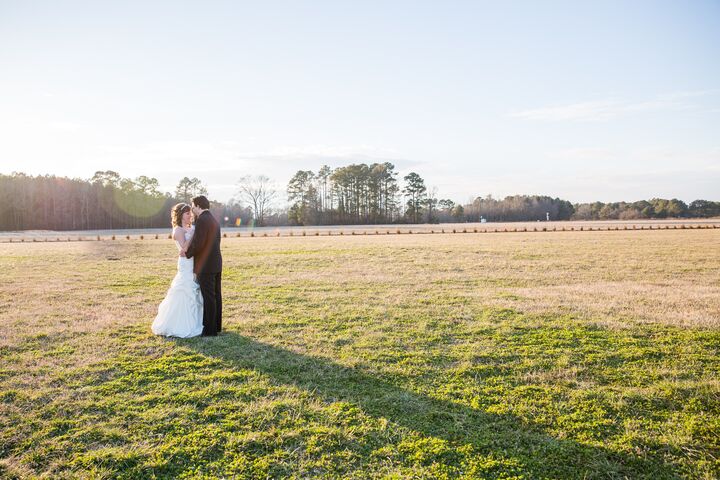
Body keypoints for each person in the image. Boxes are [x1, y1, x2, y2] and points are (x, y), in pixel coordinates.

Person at [151, 203, 204, 338]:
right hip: (185, 264)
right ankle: (179, 323)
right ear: (181, 215)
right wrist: (193, 234)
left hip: (193, 263)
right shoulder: (178, 230)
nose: (190, 216)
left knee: (194, 291)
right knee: (184, 290)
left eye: (190, 213)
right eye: (187, 214)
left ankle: (195, 321)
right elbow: (184, 249)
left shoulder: (190, 227)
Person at [182, 195, 223, 336]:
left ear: (198, 206)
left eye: (193, 206)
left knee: (209, 297)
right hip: (216, 262)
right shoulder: (213, 220)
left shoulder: (202, 221)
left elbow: (199, 243)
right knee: (216, 295)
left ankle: (210, 330)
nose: (192, 209)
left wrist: (187, 254)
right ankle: (216, 326)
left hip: (206, 265)